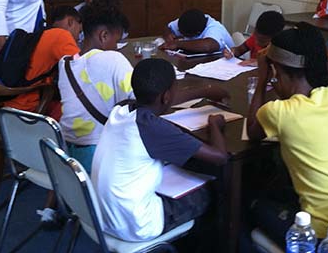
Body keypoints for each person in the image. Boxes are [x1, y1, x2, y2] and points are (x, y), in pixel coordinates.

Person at [246, 23, 328, 243]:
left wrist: (261, 79)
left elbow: (252, 131)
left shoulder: (279, 112)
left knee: (251, 203)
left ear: (276, 71)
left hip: (319, 235)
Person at [91, 58, 229, 241]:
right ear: (165, 97)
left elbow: (163, 99)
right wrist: (214, 124)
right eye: (175, 89)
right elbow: (220, 157)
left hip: (104, 217)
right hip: (138, 225)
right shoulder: (152, 128)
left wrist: (205, 91)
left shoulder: (122, 108)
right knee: (213, 191)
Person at [58, 0, 133, 172]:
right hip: (99, 158)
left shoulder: (65, 63)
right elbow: (142, 100)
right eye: (117, 41)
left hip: (66, 158)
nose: (117, 47)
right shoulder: (113, 58)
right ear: (104, 35)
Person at [2, 6, 82, 118]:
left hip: (6, 102)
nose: (78, 38)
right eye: (79, 31)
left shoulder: (41, 34)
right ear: (70, 22)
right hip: (28, 108)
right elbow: (81, 66)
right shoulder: (61, 36)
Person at [160, 8, 234, 54]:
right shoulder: (189, 20)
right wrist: (168, 35)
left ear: (198, 33)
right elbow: (168, 27)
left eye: (186, 35)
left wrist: (178, 44)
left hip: (227, 64)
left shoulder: (215, 28)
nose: (180, 33)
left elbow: (208, 46)